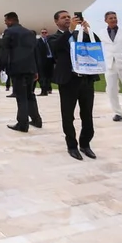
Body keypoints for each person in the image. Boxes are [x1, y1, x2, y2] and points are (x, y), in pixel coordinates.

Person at [50, 10, 99, 161]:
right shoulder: (55, 37)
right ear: (56, 22)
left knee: (87, 114)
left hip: (86, 80)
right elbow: (56, 48)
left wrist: (88, 30)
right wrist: (70, 31)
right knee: (68, 115)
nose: (67, 19)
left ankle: (85, 143)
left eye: (68, 17)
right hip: (68, 81)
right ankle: (72, 145)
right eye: (63, 18)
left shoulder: (82, 34)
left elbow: (97, 45)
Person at [0, 13, 42, 132]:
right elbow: (35, 52)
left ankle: (22, 124)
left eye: (6, 21)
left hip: (17, 69)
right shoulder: (29, 33)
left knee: (21, 96)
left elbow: (5, 50)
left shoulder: (9, 32)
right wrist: (36, 70)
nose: (5, 23)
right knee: (30, 95)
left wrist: (1, 66)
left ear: (10, 20)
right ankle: (36, 120)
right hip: (30, 68)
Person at [99, 11, 122, 121]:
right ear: (106, 20)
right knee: (111, 90)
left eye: (115, 17)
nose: (113, 19)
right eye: (111, 18)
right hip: (110, 65)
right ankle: (117, 112)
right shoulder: (101, 33)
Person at [35, 28, 54, 96]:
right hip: (42, 61)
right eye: (42, 33)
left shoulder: (50, 41)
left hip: (50, 60)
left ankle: (49, 88)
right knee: (42, 76)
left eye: (45, 32)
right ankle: (44, 90)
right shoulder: (38, 42)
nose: (44, 34)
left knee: (49, 76)